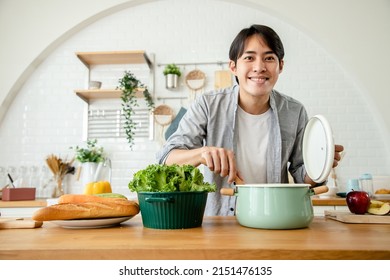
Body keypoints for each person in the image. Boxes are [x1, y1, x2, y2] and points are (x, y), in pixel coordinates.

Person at [156, 24, 344, 216]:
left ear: (280, 66)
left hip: (276, 218)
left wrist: (320, 164)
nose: (259, 67)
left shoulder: (294, 111)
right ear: (233, 67)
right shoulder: (208, 104)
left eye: (269, 58)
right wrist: (202, 153)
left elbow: (302, 176)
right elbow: (167, 160)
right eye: (249, 57)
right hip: (222, 224)